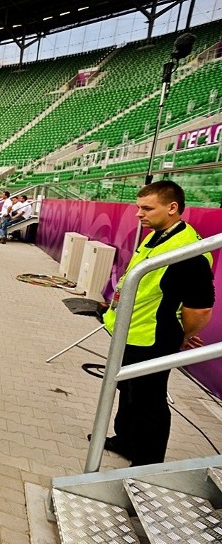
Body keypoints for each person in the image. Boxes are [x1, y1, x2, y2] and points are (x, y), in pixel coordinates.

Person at [99, 181, 214, 466]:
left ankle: (146, 464)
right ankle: (125, 440)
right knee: (127, 392)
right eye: (138, 207)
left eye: (147, 208)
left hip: (153, 339)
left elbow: (199, 311)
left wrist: (180, 335)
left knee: (148, 402)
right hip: (131, 332)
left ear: (172, 208)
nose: (139, 214)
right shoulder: (158, 236)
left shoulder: (189, 253)